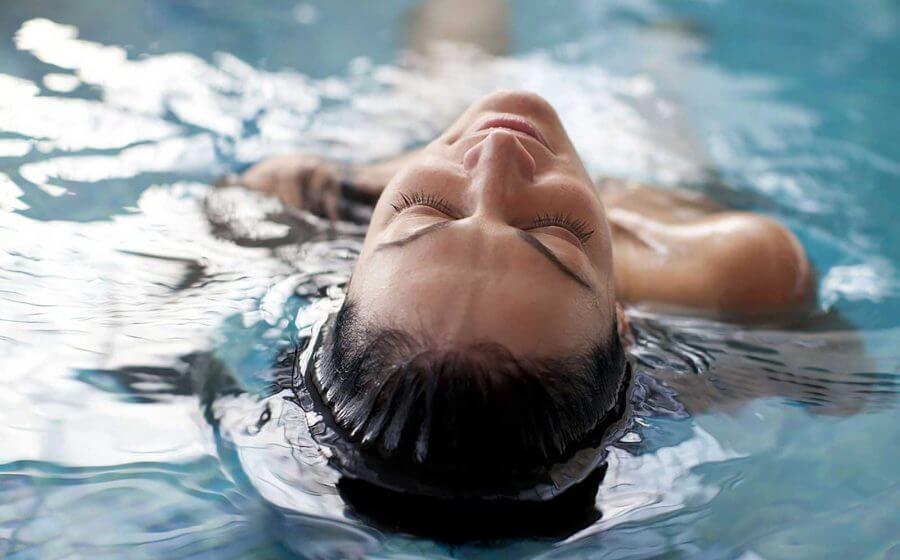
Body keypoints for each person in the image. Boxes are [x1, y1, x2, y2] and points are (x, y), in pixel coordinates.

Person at [225, 88, 814, 502]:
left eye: (424, 209)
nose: (497, 155)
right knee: (660, 92)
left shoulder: (298, 203)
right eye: (555, 235)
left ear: (344, 276)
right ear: (621, 324)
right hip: (660, 190)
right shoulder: (738, 272)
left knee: (442, 67)